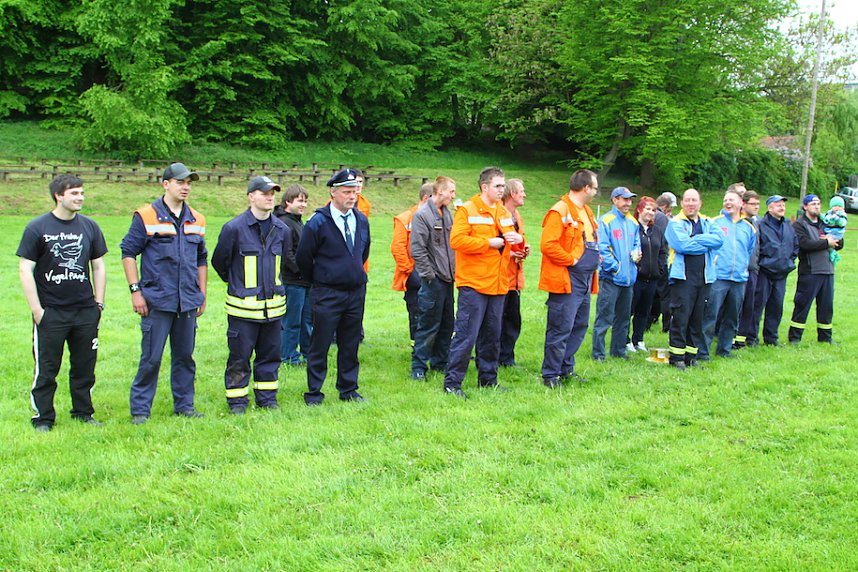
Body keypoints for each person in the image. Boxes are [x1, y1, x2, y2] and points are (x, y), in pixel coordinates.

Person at [17, 174, 107, 431]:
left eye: (82, 193)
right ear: (58, 196)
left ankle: (83, 412)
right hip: (51, 312)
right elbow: (25, 269)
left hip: (85, 311)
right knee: (47, 369)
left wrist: (98, 304)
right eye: (74, 193)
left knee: (84, 367)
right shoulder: (37, 227)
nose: (80, 198)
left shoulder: (90, 227)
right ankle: (43, 418)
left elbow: (98, 266)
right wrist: (37, 310)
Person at [121, 162, 207, 424]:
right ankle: (140, 410)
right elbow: (128, 253)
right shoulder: (146, 216)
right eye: (180, 182)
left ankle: (185, 406)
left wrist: (202, 293)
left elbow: (201, 258)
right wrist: (135, 291)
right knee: (151, 358)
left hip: (187, 300)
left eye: (189, 183)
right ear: (165, 184)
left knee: (185, 357)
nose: (185, 187)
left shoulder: (197, 219)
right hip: (157, 300)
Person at [212, 176, 290, 414]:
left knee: (270, 357)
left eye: (272, 193)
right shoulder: (233, 228)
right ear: (251, 196)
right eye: (264, 193)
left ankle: (267, 399)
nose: (270, 197)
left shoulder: (283, 230)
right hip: (242, 311)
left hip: (273, 310)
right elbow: (219, 262)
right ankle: (237, 402)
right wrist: (238, 284)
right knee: (239, 358)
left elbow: (286, 264)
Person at [443, 167, 523, 399]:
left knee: (492, 335)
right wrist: (488, 243)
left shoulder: (503, 212)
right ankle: (452, 383)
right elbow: (457, 241)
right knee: (466, 335)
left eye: (503, 186)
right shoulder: (467, 210)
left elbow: (508, 242)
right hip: (474, 283)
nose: (502, 190)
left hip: (498, 283)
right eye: (498, 186)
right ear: (484, 187)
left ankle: (488, 380)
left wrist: (519, 241)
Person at [296, 168, 370, 405]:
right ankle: (314, 392)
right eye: (347, 192)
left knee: (350, 343)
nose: (352, 196)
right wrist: (323, 278)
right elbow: (303, 258)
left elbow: (363, 251)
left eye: (354, 192)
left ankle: (348, 389)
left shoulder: (361, 220)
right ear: (333, 193)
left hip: (355, 292)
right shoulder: (318, 222)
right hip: (327, 292)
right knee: (320, 343)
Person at [539, 169, 600, 388]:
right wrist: (571, 260)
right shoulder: (560, 210)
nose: (596, 191)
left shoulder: (586, 211)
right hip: (568, 277)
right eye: (594, 187)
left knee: (579, 324)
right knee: (561, 326)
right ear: (586, 188)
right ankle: (550, 375)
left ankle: (565, 368)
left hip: (586, 278)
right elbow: (548, 245)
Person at [664, 188, 724, 369]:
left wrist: (696, 238)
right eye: (687, 200)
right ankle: (677, 358)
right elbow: (682, 245)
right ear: (682, 203)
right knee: (681, 318)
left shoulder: (707, 222)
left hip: (704, 278)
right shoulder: (675, 223)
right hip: (683, 278)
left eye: (694, 200)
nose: (691, 204)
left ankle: (691, 357)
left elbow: (719, 240)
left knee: (697, 320)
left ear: (700, 203)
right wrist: (706, 244)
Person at [699, 188, 756, 360]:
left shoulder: (749, 228)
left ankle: (724, 350)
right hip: (718, 277)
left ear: (741, 203)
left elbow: (749, 250)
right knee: (710, 316)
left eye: (732, 200)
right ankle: (702, 351)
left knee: (732, 317)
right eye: (725, 200)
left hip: (738, 279)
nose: (728, 203)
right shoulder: (714, 223)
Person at [410, 176, 457, 380]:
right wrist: (429, 275)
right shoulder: (422, 215)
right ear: (440, 192)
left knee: (447, 323)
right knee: (428, 324)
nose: (453, 196)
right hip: (433, 280)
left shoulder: (448, 214)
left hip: (449, 279)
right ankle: (418, 367)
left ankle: (440, 362)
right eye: (451, 191)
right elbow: (417, 249)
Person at [592, 187, 641, 361]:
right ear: (615, 200)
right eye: (624, 199)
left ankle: (618, 351)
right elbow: (602, 248)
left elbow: (637, 243)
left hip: (629, 279)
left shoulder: (633, 222)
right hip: (611, 278)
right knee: (604, 317)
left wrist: (637, 253)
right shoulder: (606, 221)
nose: (628, 203)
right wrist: (615, 268)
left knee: (624, 318)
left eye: (630, 200)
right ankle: (598, 353)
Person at [788, 194, 843, 344]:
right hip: (810, 271)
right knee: (802, 305)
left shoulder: (826, 222)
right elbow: (805, 244)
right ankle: (795, 337)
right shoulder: (799, 225)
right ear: (805, 206)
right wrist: (826, 243)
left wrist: (837, 240)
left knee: (826, 306)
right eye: (813, 204)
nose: (817, 206)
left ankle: (826, 338)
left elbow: (838, 242)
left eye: (818, 203)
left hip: (828, 270)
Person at [750, 195, 798, 346]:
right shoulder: (761, 225)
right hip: (764, 272)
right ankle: (751, 338)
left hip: (782, 272)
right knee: (757, 306)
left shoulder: (788, 225)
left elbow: (795, 245)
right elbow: (757, 248)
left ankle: (771, 338)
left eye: (783, 205)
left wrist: (789, 262)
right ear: (770, 208)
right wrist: (763, 263)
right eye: (778, 205)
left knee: (776, 306)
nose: (782, 207)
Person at [274, 184, 312, 366]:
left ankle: (308, 352)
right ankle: (288, 355)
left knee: (306, 320)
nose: (303, 205)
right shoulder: (284, 223)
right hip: (293, 281)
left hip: (305, 281)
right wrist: (302, 270)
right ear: (288, 201)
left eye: (305, 201)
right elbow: (286, 254)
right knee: (292, 321)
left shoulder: (298, 222)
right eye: (300, 201)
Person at [391, 183, 431, 345]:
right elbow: (397, 247)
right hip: (414, 274)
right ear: (426, 198)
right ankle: (419, 346)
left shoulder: (437, 216)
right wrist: (409, 270)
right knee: (416, 311)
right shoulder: (405, 218)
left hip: (432, 272)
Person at [497, 178, 530, 367]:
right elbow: (494, 245)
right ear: (512, 194)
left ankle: (507, 358)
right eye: (521, 191)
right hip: (500, 278)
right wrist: (510, 253)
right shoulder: (498, 214)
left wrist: (524, 249)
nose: (524, 194)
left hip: (514, 279)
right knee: (496, 321)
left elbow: (520, 239)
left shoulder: (517, 216)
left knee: (513, 320)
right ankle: (492, 356)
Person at [627, 196, 667, 353]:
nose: (651, 212)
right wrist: (637, 267)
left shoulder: (657, 231)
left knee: (644, 311)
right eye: (648, 209)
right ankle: (626, 340)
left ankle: (638, 339)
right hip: (636, 277)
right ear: (639, 210)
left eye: (653, 210)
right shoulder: (632, 228)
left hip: (652, 278)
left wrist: (659, 269)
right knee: (630, 309)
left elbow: (663, 251)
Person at [734, 190, 761, 349]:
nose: (756, 207)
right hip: (738, 270)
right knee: (736, 305)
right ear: (743, 204)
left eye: (758, 204)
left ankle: (741, 339)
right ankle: (731, 337)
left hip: (753, 269)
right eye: (753, 204)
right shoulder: (738, 222)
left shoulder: (757, 222)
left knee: (749, 306)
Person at [652, 191, 677, 332]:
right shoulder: (662, 218)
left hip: (650, 261)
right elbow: (665, 239)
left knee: (654, 293)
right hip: (661, 260)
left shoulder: (652, 215)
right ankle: (666, 325)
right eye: (670, 208)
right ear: (665, 206)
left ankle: (652, 319)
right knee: (665, 295)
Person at [821, 196, 848, 265]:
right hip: (829, 232)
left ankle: (833, 255)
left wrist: (837, 219)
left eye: (840, 206)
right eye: (835, 206)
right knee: (828, 245)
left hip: (837, 234)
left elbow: (843, 223)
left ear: (843, 208)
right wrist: (820, 216)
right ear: (831, 207)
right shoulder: (829, 214)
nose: (837, 208)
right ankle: (833, 254)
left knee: (830, 244)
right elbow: (825, 218)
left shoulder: (842, 215)